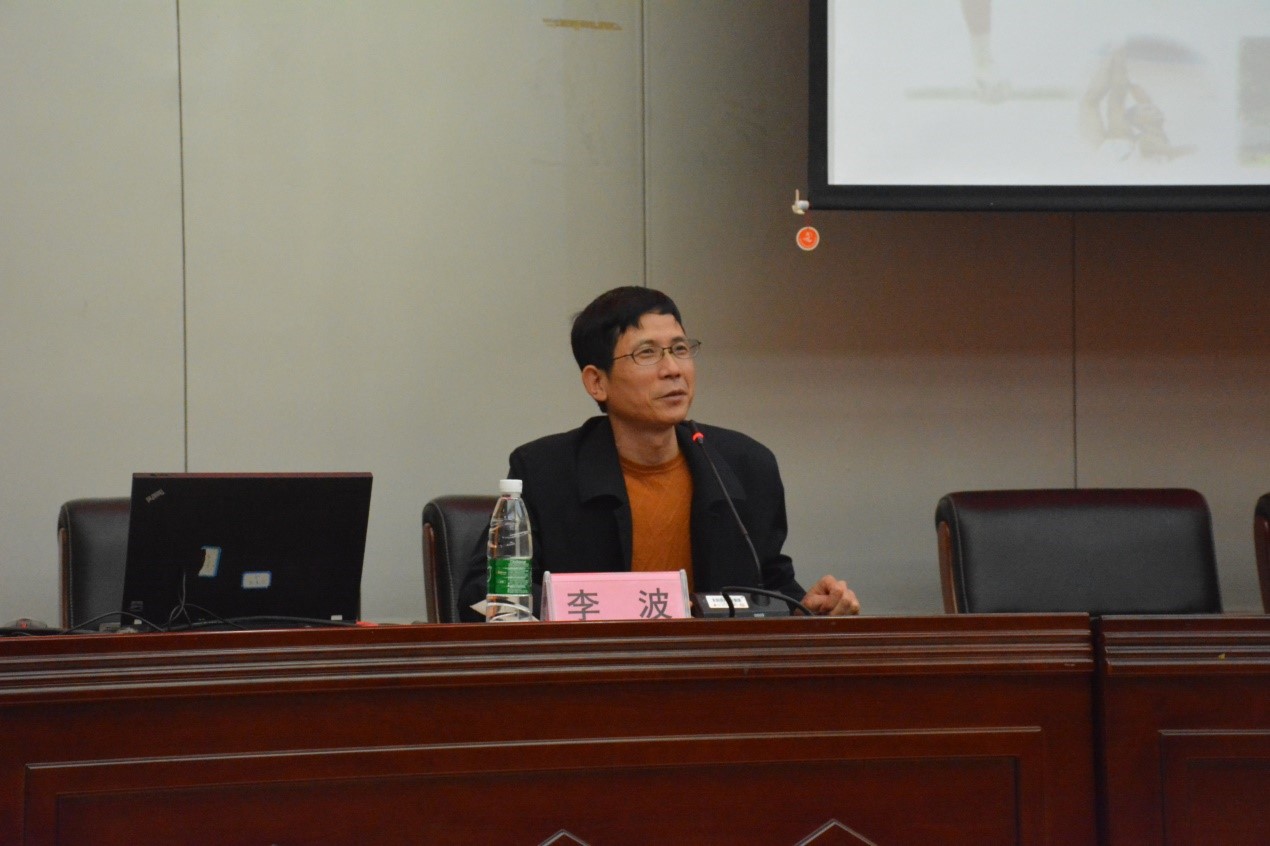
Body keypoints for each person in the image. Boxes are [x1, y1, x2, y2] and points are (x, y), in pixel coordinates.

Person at [457, 286, 860, 622]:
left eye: (680, 349)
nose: (673, 369)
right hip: (594, 678)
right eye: (647, 353)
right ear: (597, 382)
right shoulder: (545, 471)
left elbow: (767, 584)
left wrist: (806, 608)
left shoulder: (745, 465)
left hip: (714, 678)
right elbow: (483, 596)